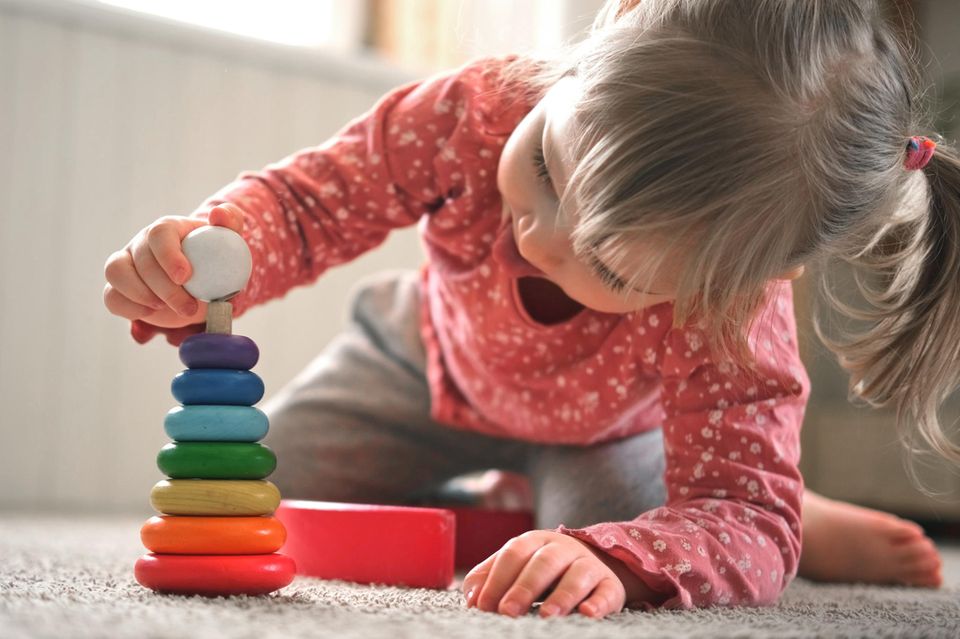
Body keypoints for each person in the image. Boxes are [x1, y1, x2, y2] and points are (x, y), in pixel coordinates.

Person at [103, 0, 954, 619]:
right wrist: (215, 254)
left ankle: (776, 504)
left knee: (585, 561)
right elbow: (310, 205)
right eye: (546, 165)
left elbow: (742, 513)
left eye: (609, 265)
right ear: (608, 31)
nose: (538, 237)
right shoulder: (468, 111)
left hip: (608, 432)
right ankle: (510, 488)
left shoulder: (731, 306)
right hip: (420, 358)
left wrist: (624, 553)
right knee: (257, 489)